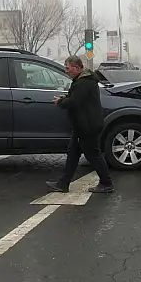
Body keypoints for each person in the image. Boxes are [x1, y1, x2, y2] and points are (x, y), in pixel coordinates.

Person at [46, 56, 114, 194]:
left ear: (77, 68)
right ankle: (63, 183)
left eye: (68, 68)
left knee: (93, 155)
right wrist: (65, 99)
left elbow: (74, 102)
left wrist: (61, 102)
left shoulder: (84, 83)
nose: (66, 71)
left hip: (87, 126)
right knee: (73, 154)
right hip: (82, 125)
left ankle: (106, 183)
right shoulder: (82, 81)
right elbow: (78, 99)